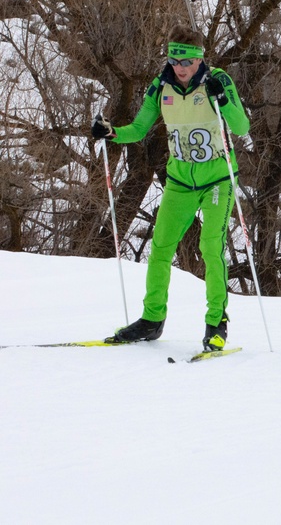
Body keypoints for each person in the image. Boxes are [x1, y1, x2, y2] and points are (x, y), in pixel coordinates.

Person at [91, 25, 250, 350]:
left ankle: (216, 323)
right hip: (180, 181)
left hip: (218, 178)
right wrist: (111, 133)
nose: (179, 67)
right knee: (161, 248)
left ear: (198, 60)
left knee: (210, 247)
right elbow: (138, 128)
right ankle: (151, 320)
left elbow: (241, 126)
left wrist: (223, 98)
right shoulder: (160, 85)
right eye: (175, 60)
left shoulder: (217, 80)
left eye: (186, 62)